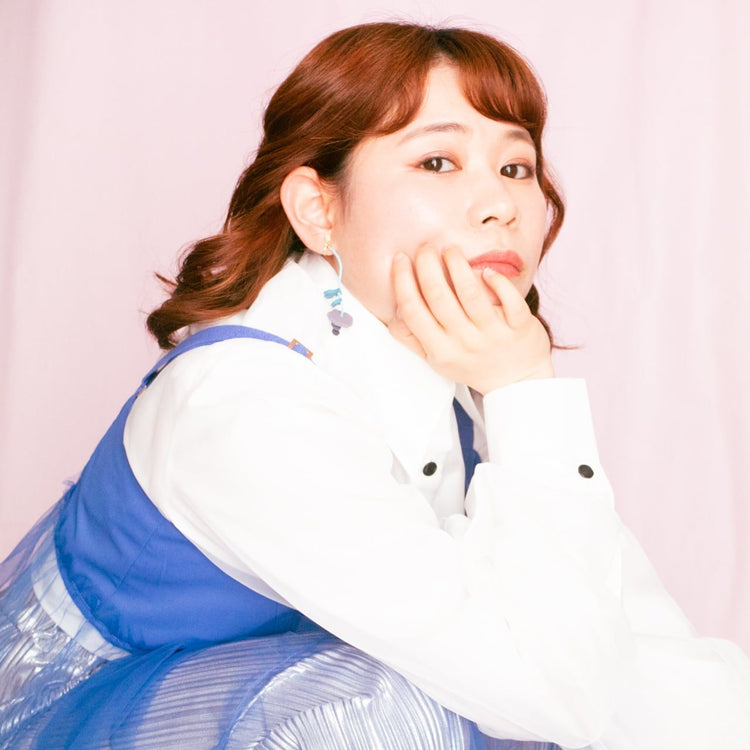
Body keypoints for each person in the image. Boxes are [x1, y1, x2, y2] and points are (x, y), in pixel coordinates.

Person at [1, 20, 748, 750]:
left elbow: (630, 647)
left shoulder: (452, 366)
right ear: (319, 209)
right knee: (394, 711)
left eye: (516, 167)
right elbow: (553, 694)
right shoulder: (246, 404)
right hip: (64, 722)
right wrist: (524, 390)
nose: (501, 205)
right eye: (438, 162)